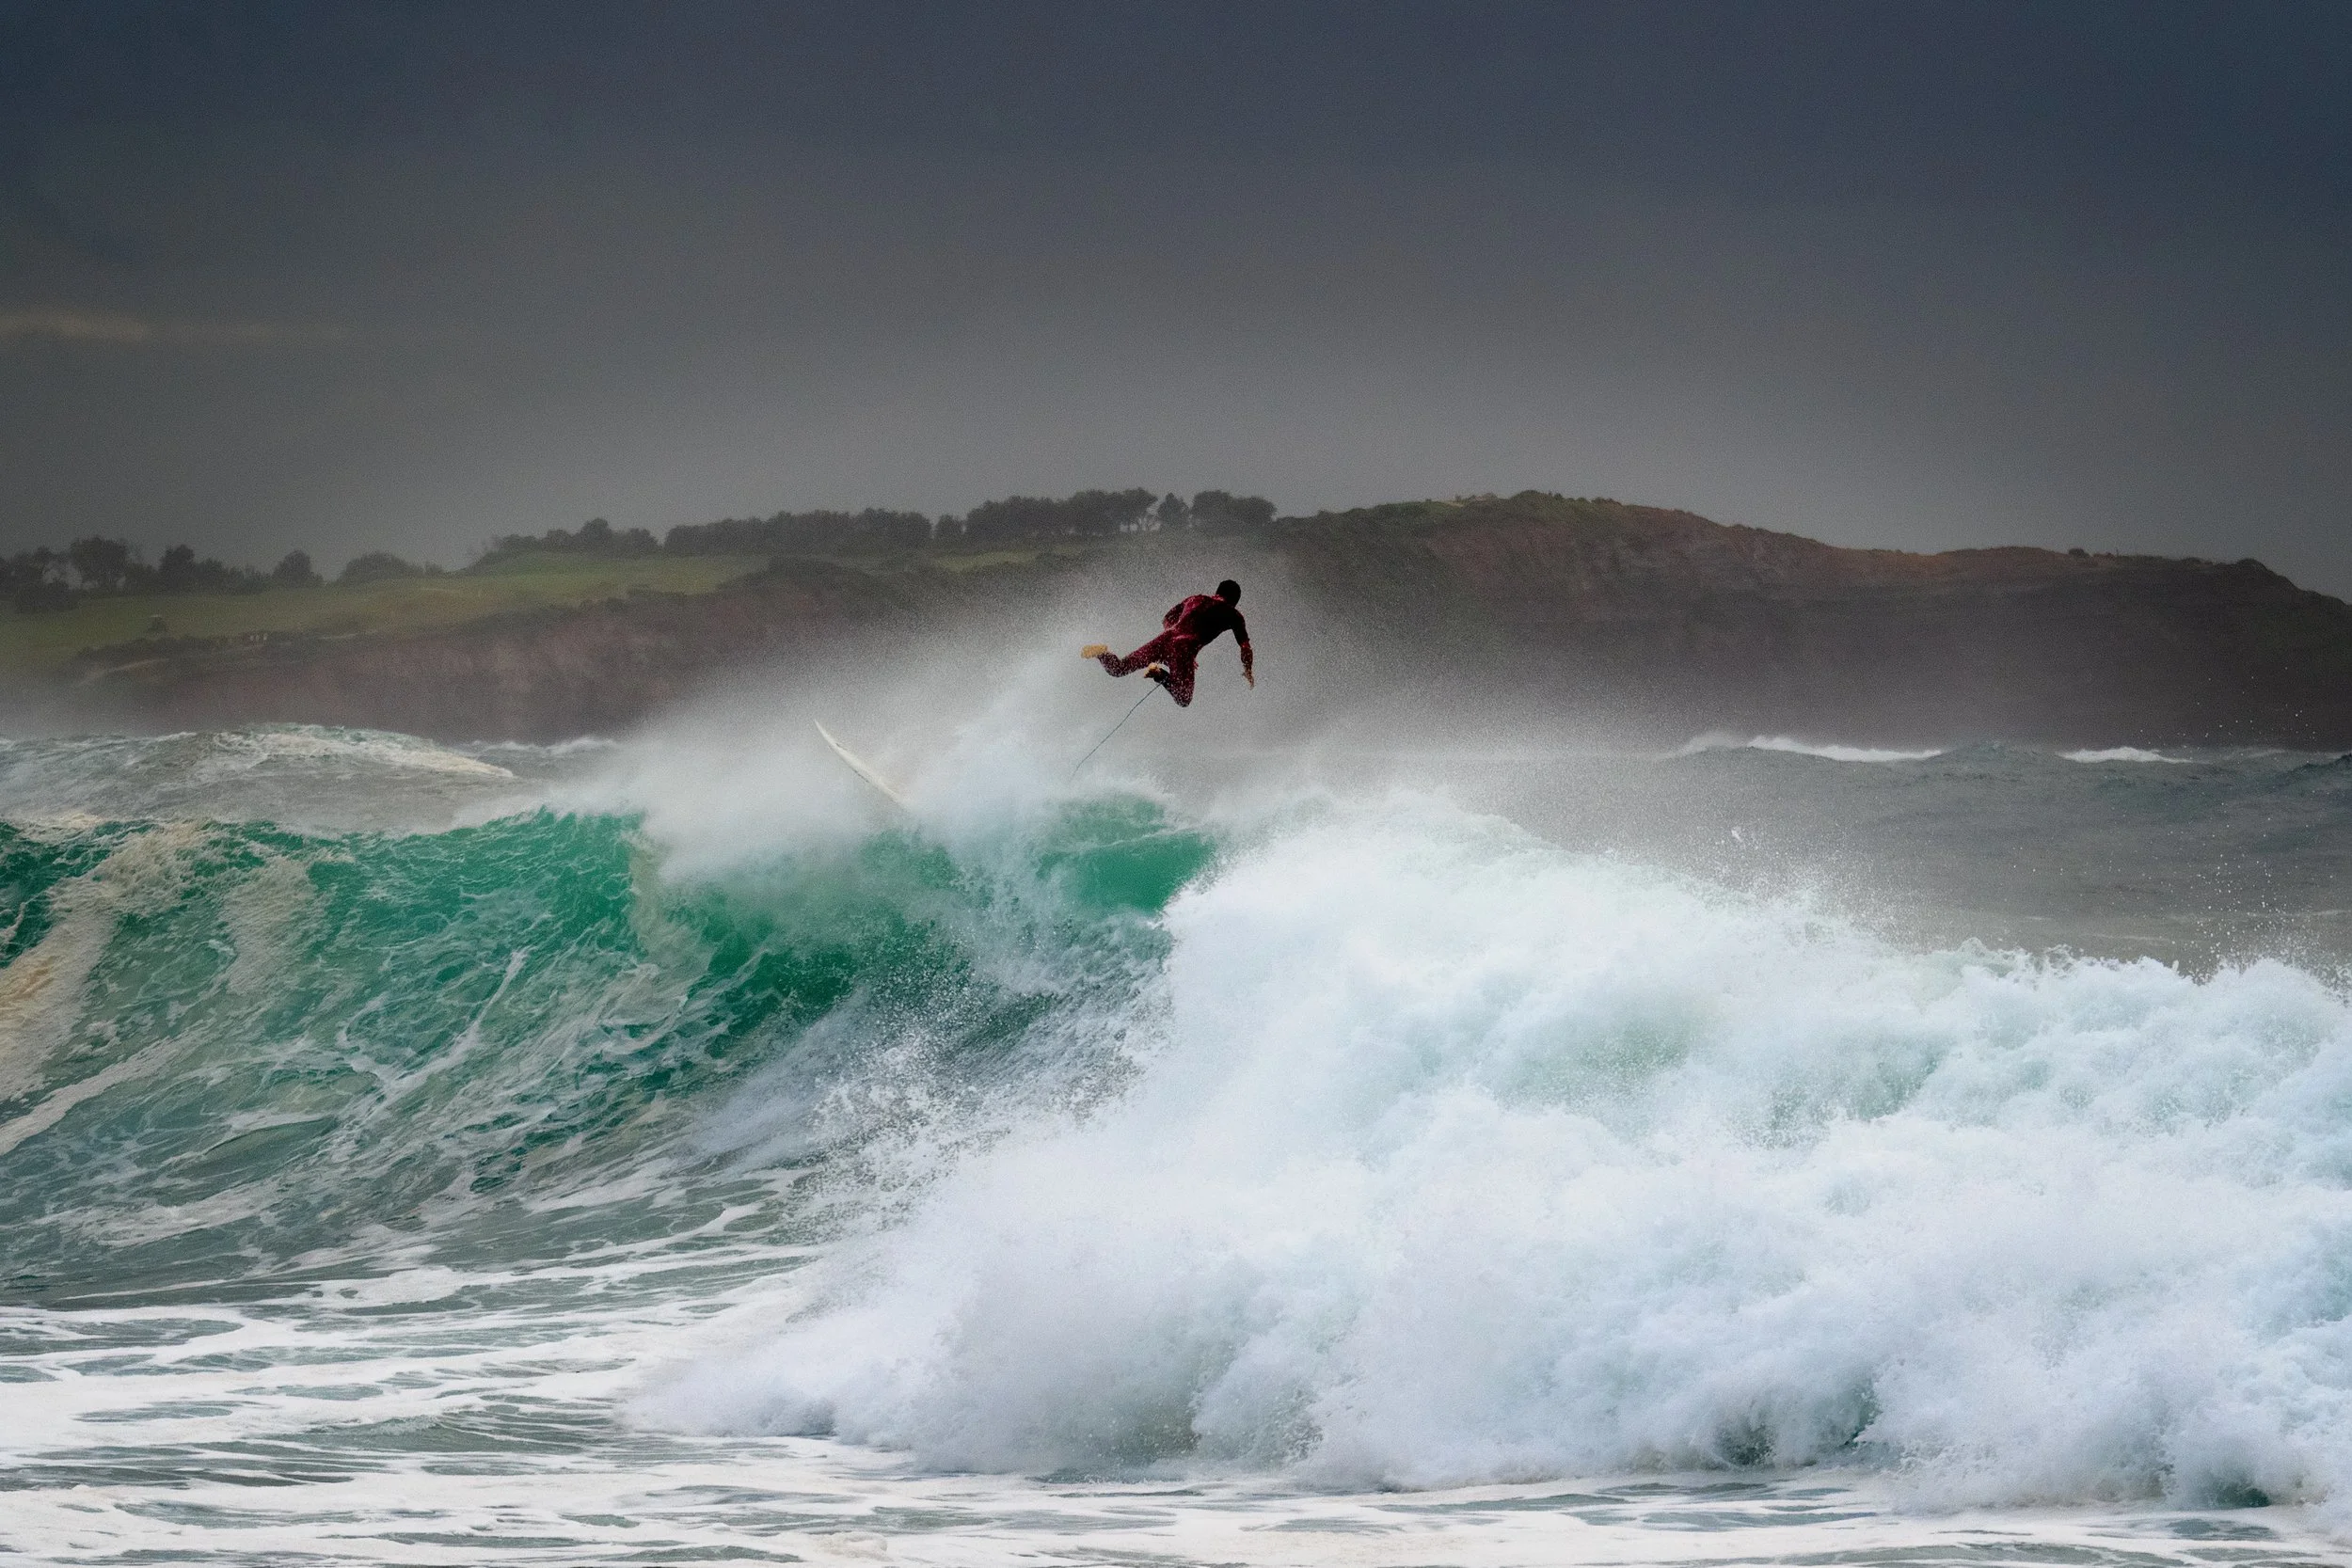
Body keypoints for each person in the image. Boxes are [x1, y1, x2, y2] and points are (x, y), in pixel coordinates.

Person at [1083, 578, 1255, 707]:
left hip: (1164, 639)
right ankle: (1158, 674)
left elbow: (1167, 618)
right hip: (1183, 648)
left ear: (1217, 591)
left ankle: (1101, 653)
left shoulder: (1194, 599)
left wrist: (1171, 638)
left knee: (1119, 668)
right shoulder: (1234, 615)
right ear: (1234, 601)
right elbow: (1245, 648)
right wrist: (1248, 670)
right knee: (1183, 699)